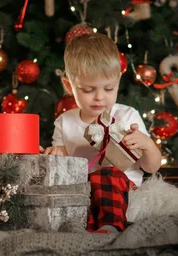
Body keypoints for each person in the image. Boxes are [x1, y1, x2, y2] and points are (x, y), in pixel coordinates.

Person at [42, 33, 161, 233]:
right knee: (71, 192)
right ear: (69, 86)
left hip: (120, 186)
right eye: (88, 90)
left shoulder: (127, 116)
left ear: (118, 81)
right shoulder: (65, 122)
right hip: (83, 187)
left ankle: (110, 225)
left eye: (108, 88)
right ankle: (84, 231)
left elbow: (151, 167)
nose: (99, 98)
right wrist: (56, 156)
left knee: (107, 174)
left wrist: (147, 145)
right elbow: (59, 168)